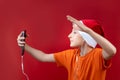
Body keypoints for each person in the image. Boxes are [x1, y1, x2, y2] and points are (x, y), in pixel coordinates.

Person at [17, 15, 117, 80]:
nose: (69, 35)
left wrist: (89, 31)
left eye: (74, 32)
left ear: (86, 37)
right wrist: (24, 46)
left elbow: (112, 51)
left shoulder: (98, 55)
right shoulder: (70, 55)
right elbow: (43, 57)